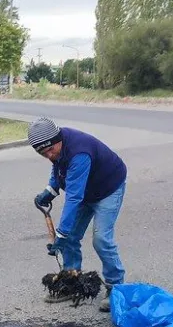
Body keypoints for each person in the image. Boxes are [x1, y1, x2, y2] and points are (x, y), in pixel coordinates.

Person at [28, 117, 128, 312]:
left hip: (108, 189)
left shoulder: (79, 152)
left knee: (101, 239)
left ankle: (116, 287)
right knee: (72, 237)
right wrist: (51, 189)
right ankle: (71, 280)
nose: (49, 154)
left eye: (50, 149)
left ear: (58, 139)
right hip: (86, 189)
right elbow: (58, 167)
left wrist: (61, 233)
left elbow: (74, 197)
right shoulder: (57, 147)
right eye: (43, 152)